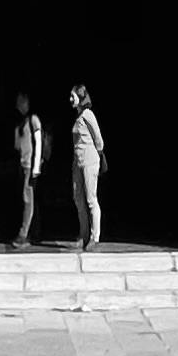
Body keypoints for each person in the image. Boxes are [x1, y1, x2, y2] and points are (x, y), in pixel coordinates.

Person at [68, 82, 105, 254]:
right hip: (78, 162)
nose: (70, 99)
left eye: (73, 96)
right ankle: (83, 235)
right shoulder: (77, 116)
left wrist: (98, 155)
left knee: (91, 199)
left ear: (80, 97)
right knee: (78, 198)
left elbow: (98, 138)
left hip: (89, 161)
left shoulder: (88, 114)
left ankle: (94, 237)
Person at [9, 92, 44, 249]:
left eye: (23, 102)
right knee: (28, 200)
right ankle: (32, 232)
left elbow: (39, 144)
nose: (20, 106)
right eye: (19, 103)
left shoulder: (33, 120)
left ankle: (24, 234)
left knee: (28, 200)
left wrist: (36, 168)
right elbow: (18, 147)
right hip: (23, 166)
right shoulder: (20, 124)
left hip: (31, 167)